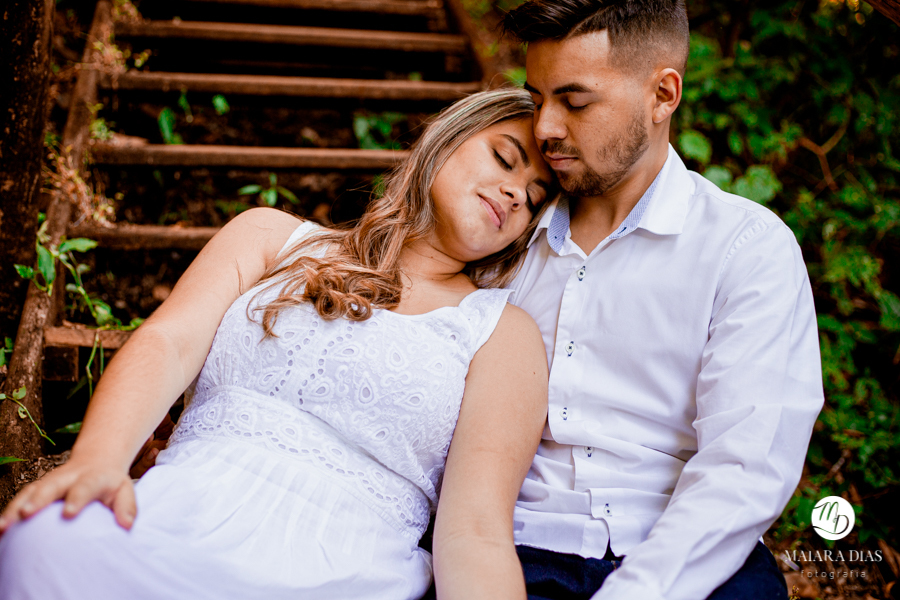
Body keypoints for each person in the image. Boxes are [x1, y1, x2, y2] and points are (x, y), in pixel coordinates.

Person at [0, 88, 557, 600]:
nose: (515, 194)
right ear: (448, 139)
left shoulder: (503, 335)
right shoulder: (270, 238)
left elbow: (476, 529)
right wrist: (98, 460)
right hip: (184, 512)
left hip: (345, 569)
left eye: (535, 199)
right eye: (505, 160)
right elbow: (169, 342)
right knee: (44, 539)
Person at [499, 1, 825, 599]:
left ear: (663, 95)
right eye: (537, 98)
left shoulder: (745, 248)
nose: (544, 127)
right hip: (513, 550)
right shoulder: (504, 230)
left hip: (685, 555)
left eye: (574, 101)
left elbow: (743, 468)